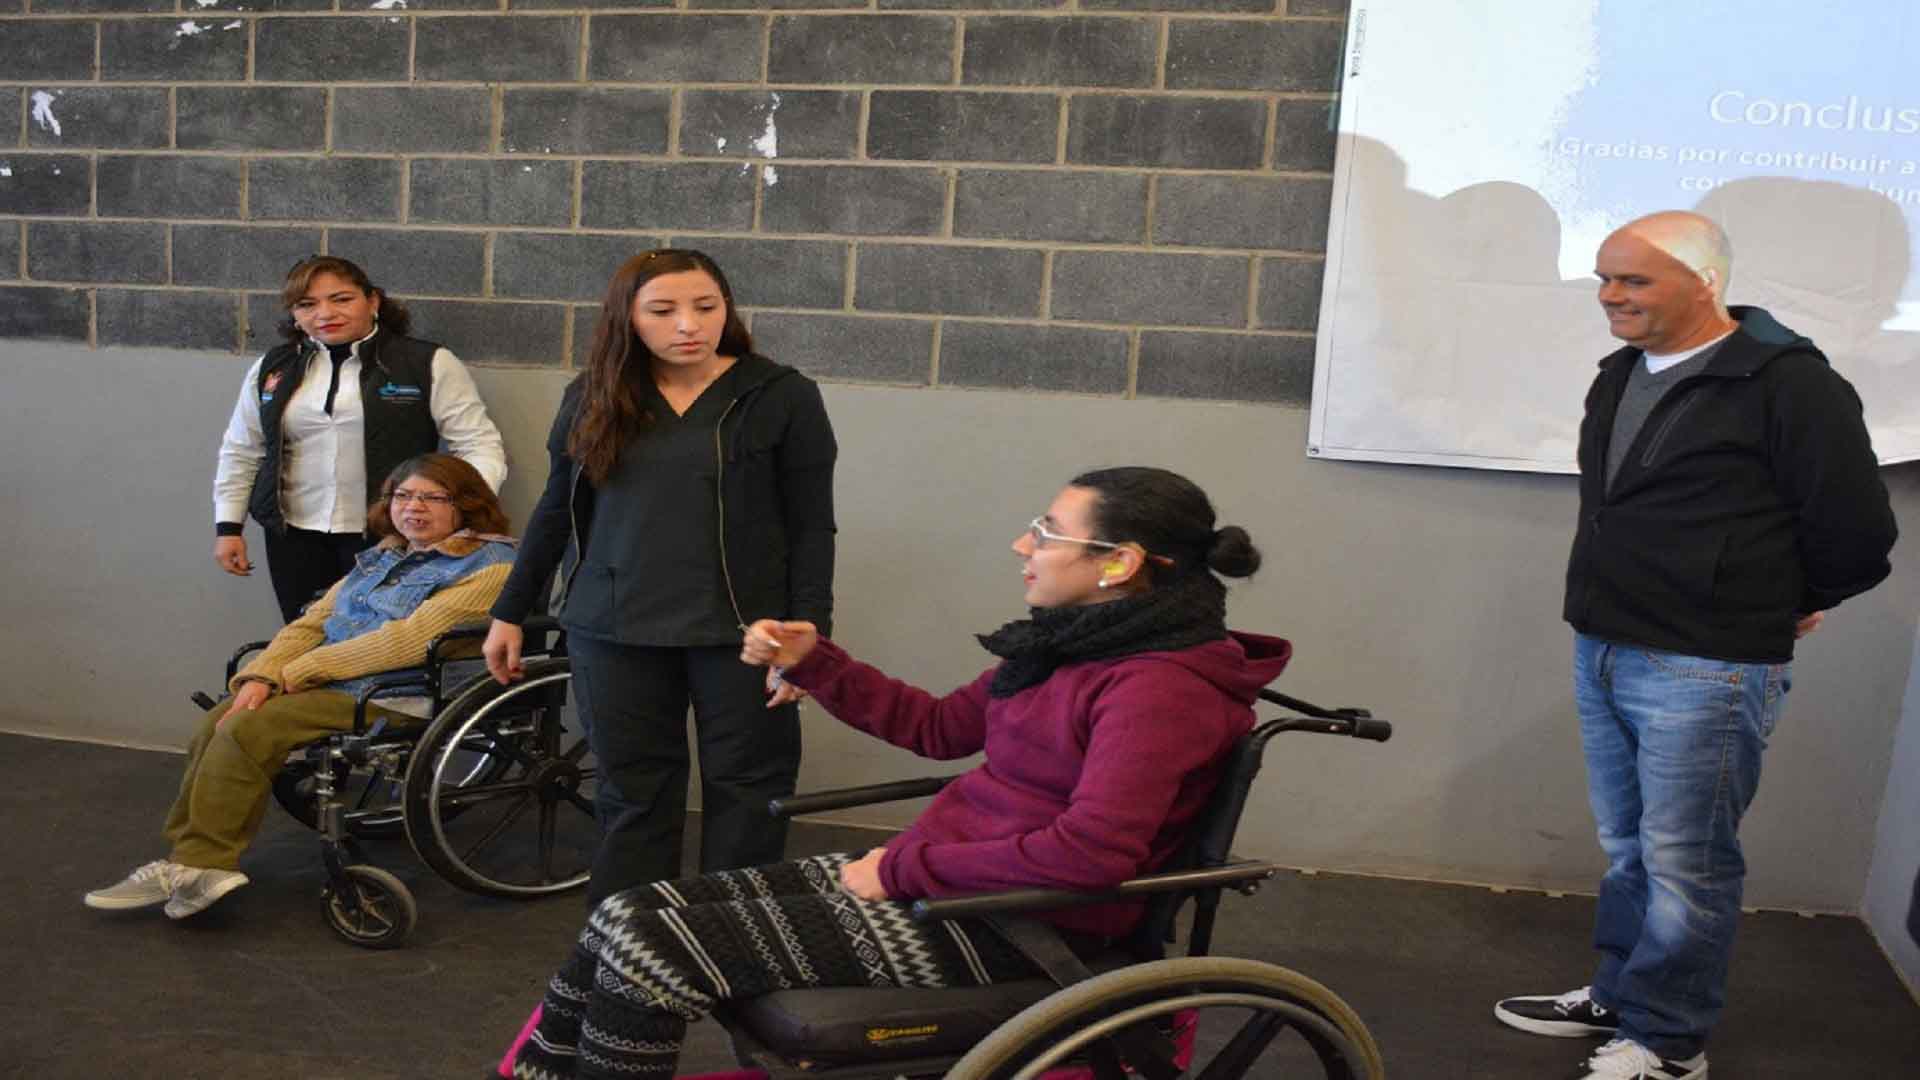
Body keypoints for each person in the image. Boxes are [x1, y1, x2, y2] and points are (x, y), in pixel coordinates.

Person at [499, 466, 1290, 1079]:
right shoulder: (1072, 646)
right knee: (630, 911)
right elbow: (939, 728)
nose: (1025, 546)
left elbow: (1093, 854)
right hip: (954, 883)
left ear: (1119, 563)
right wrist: (818, 663)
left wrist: (908, 866)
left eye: (1048, 532)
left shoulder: (1160, 688)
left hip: (1024, 920)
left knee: (653, 951)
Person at [1494, 212, 1898, 1080]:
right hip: (1604, 644)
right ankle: (1621, 995)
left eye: (1632, 281)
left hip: (1708, 665)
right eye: (1604, 279)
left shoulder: (1790, 384)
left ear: (1703, 282)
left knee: (1688, 860)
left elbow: (1860, 534)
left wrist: (1788, 601)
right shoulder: (1620, 373)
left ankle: (1669, 1043)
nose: (1609, 297)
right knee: (1631, 846)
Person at [481, 249, 837, 905]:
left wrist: (811, 631)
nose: (688, 325)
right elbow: (557, 511)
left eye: (706, 307)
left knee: (750, 793)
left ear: (726, 309)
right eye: (663, 310)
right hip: (613, 629)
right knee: (633, 796)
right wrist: (511, 611)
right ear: (628, 318)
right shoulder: (593, 395)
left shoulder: (782, 395)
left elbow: (813, 526)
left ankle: (741, 942)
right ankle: (627, 950)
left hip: (746, 632)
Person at [87, 454, 517, 921]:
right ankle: (187, 861)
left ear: (467, 505)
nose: (413, 507)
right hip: (336, 680)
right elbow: (312, 623)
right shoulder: (385, 555)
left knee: (249, 729)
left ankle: (202, 863)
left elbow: (405, 642)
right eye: (403, 495)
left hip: (402, 693)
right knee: (220, 719)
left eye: (433, 498)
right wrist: (261, 675)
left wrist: (292, 677)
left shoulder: (491, 568)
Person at [213, 255, 507, 623]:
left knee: (374, 646)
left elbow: (478, 444)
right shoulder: (273, 367)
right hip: (294, 538)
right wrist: (229, 526)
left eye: (341, 299)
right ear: (294, 314)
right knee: (302, 636)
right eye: (307, 304)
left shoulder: (426, 362)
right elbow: (242, 449)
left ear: (373, 301)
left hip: (391, 535)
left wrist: (463, 512)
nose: (325, 313)